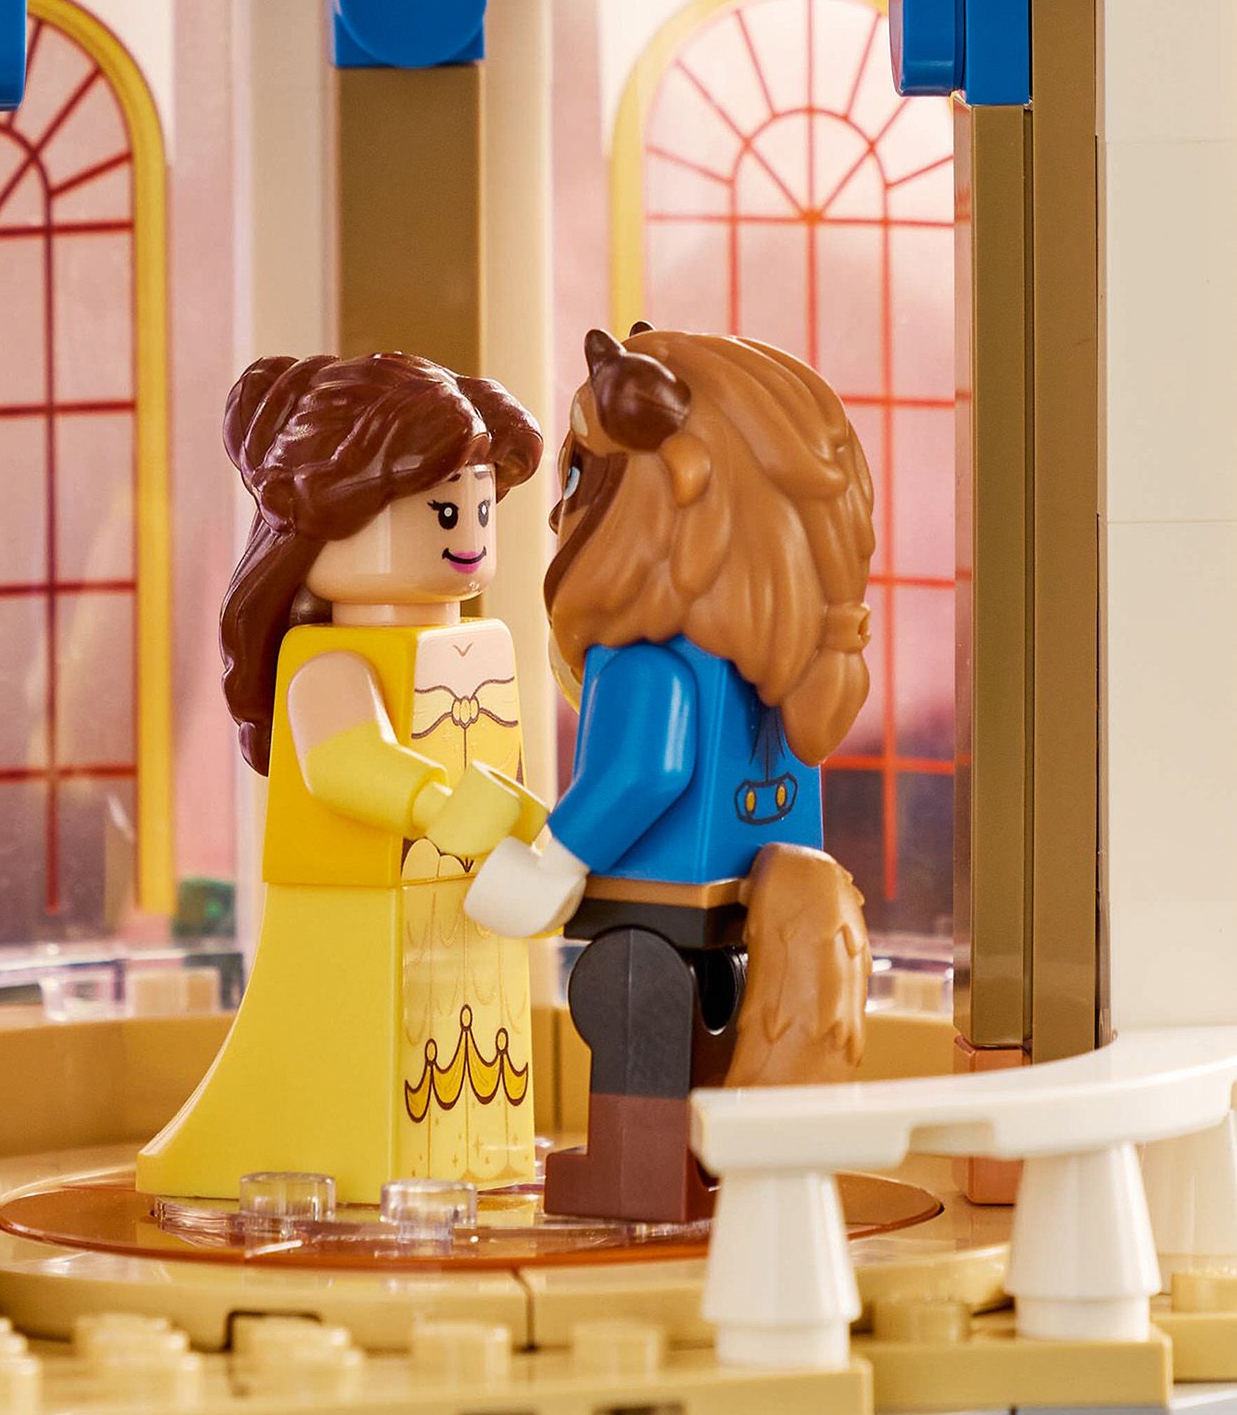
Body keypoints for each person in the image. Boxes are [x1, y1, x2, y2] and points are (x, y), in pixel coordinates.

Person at [469, 327, 874, 1222]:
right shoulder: (776, 658)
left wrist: (548, 864)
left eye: (579, 479)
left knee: (630, 1014)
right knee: (711, 1021)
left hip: (656, 896)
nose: (561, 514)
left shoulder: (646, 658)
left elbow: (642, 771)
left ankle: (637, 1172)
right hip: (742, 886)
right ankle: (715, 1161)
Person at [138, 351, 544, 1203]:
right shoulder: (327, 661)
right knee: (374, 1052)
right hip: (352, 905)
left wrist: (532, 833)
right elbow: (344, 760)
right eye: (444, 511)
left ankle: (476, 1159)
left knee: (470, 1051)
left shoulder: (477, 648)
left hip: (462, 902)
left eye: (480, 507)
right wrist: (442, 807)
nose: (469, 535)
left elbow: (493, 766)